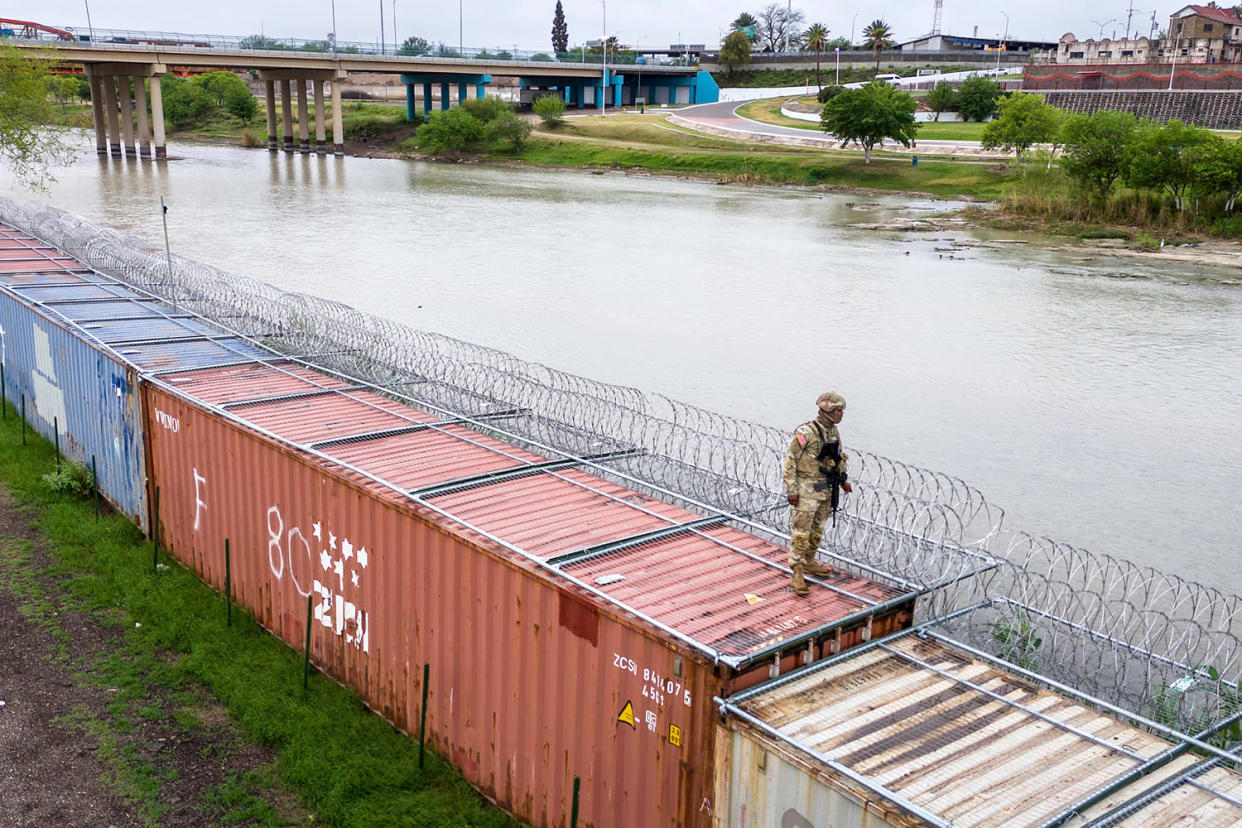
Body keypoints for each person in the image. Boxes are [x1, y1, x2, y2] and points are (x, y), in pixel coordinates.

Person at [782, 392, 853, 597]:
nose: (841, 414)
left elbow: (838, 458)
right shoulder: (806, 432)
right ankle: (796, 571)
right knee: (801, 532)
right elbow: (790, 461)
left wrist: (843, 481)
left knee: (817, 530)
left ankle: (809, 561)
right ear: (829, 410)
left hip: (825, 489)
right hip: (806, 490)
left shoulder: (833, 433)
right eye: (838, 410)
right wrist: (792, 490)